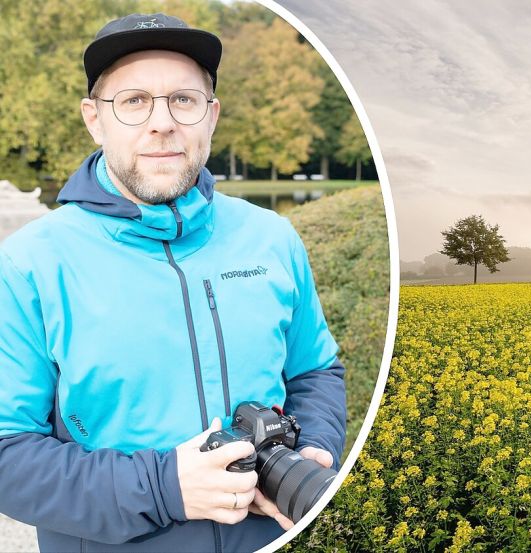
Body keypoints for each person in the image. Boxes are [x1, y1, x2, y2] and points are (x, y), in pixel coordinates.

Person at [0, 12, 346, 553]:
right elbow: (7, 455)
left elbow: (316, 371)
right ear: (95, 119)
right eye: (134, 101)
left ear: (211, 116)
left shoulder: (272, 237)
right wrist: (164, 488)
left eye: (184, 100)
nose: (162, 122)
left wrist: (315, 451)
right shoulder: (27, 265)